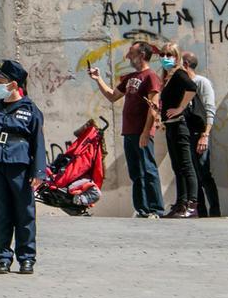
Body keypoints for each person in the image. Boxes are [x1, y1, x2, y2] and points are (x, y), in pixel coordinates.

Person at [0, 60, 45, 275]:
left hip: (20, 166)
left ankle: (27, 258)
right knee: (2, 215)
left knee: (24, 214)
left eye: (0, 81)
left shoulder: (30, 110)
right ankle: (3, 258)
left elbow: (38, 142)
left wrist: (38, 171)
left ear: (13, 84)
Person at [88, 41, 165, 218]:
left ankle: (156, 209)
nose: (128, 56)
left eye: (131, 52)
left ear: (142, 55)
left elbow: (153, 107)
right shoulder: (131, 77)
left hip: (141, 132)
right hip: (129, 132)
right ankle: (142, 209)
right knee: (136, 172)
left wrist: (146, 132)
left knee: (149, 170)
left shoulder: (151, 77)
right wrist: (98, 79)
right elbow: (112, 96)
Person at [157, 43, 198, 218]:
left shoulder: (180, 73)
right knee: (177, 167)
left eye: (169, 55)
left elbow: (192, 88)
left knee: (186, 165)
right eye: (162, 54)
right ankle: (181, 204)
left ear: (177, 57)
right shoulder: (168, 77)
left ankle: (192, 205)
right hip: (171, 125)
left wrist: (180, 108)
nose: (165, 58)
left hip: (180, 125)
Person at [181, 51, 220, 217]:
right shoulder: (180, 85)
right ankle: (201, 212)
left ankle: (215, 212)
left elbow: (210, 109)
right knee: (193, 176)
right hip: (185, 134)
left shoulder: (201, 82)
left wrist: (205, 135)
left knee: (204, 174)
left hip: (199, 133)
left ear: (186, 64)